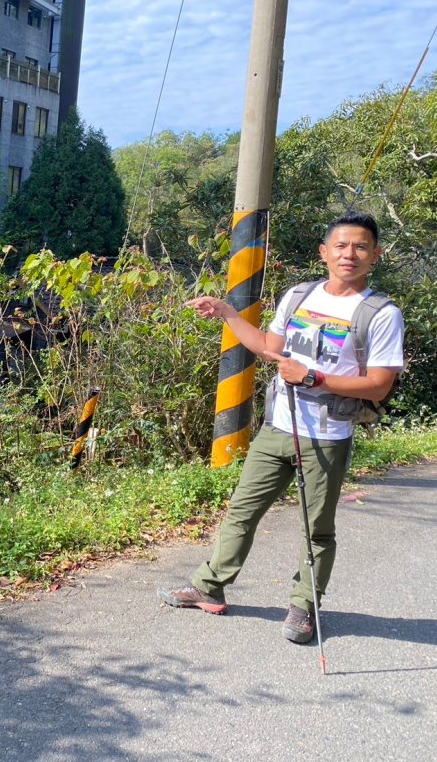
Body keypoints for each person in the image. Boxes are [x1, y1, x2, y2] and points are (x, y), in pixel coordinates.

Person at [158, 211, 404, 643]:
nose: (349, 254)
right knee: (241, 511)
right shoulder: (299, 296)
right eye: (341, 245)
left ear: (375, 254)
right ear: (324, 252)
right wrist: (227, 313)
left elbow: (379, 385)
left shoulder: (381, 314)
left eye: (360, 246)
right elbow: (269, 347)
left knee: (317, 529)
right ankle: (209, 586)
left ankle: (305, 606)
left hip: (327, 436)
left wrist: (314, 378)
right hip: (278, 428)